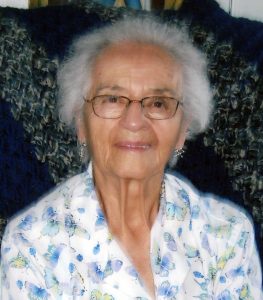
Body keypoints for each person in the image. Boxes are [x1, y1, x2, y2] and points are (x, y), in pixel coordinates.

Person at [0, 16, 262, 299]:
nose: (135, 121)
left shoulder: (228, 233)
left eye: (159, 103)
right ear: (80, 123)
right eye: (112, 99)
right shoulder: (31, 246)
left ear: (183, 130)